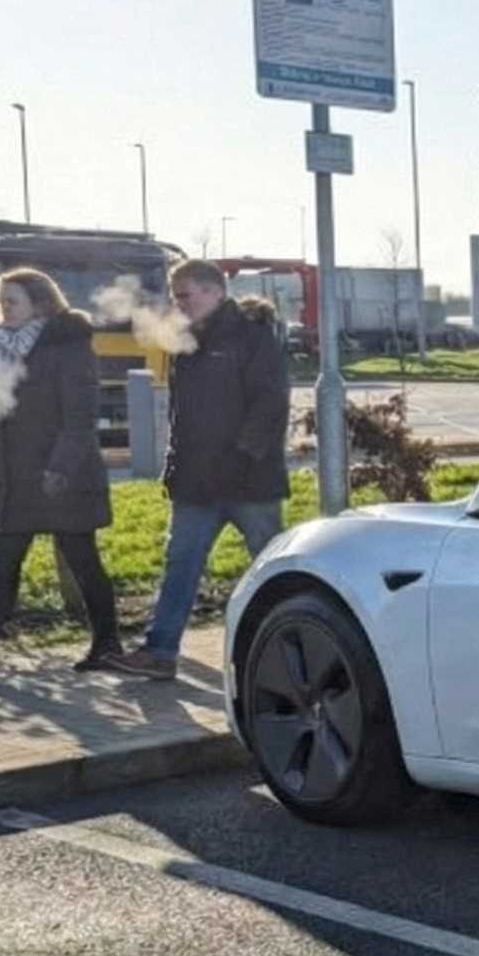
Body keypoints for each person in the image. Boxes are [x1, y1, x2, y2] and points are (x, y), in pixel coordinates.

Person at [0, 270, 120, 683]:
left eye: (12, 301)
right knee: (1, 564)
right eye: (1, 302)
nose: (4, 309)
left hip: (60, 478)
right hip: (15, 477)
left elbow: (79, 419)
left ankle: (107, 643)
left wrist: (59, 469)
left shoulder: (67, 345)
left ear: (41, 303)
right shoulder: (0, 346)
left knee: (83, 560)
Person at [107, 261, 290, 682]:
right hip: (197, 481)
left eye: (185, 295)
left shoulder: (252, 336)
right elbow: (181, 413)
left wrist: (242, 456)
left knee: (273, 567)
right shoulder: (185, 342)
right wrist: (175, 468)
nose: (178, 304)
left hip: (250, 482)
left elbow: (269, 404)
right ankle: (160, 650)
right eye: (175, 296)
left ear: (213, 292)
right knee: (181, 564)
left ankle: (289, 646)